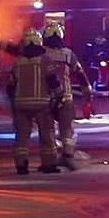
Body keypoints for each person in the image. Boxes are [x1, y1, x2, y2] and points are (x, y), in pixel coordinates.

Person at [0, 28, 63, 174]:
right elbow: (53, 82)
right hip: (42, 104)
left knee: (22, 135)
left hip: (21, 104)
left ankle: (21, 165)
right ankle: (49, 164)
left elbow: (10, 86)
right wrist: (59, 97)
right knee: (47, 134)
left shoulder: (18, 62)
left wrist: (13, 102)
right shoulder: (45, 60)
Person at [41, 21, 93, 170]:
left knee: (47, 130)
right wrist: (88, 97)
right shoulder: (69, 54)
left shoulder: (41, 54)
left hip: (46, 98)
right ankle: (68, 156)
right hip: (66, 97)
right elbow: (81, 76)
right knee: (66, 130)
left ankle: (50, 160)